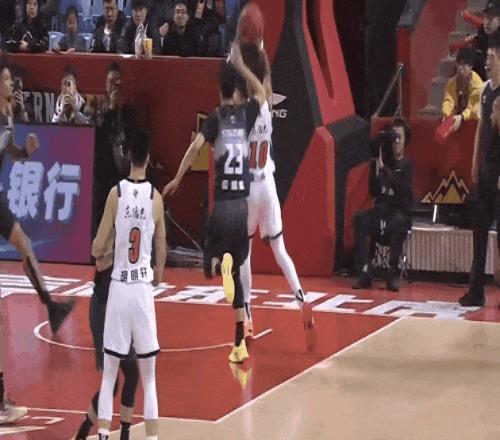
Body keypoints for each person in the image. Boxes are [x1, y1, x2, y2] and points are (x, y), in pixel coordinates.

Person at [162, 46, 265, 363]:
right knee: (240, 269)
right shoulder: (246, 115)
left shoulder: (215, 119)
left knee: (216, 263)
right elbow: (261, 92)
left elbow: (194, 149)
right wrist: (244, 67)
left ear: (219, 90)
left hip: (221, 208)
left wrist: (177, 179)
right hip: (241, 206)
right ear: (238, 89)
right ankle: (239, 343)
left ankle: (221, 264)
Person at [0, 60, 74, 423]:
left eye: (11, 79)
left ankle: (50, 305)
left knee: (26, 245)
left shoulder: (8, 113)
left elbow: (8, 151)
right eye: (5, 80)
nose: (10, 84)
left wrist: (24, 153)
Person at [235, 43, 314, 346]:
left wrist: (238, 63)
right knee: (280, 250)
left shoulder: (242, 114)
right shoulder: (267, 106)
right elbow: (266, 82)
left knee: (245, 253)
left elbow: (247, 89)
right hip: (268, 184)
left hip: (249, 189)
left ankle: (248, 316)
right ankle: (301, 298)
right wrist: (262, 52)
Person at [93, 129, 166, 440]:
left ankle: (102, 435)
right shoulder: (155, 199)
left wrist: (111, 253)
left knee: (110, 375)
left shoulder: (116, 194)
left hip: (119, 289)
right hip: (142, 291)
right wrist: (155, 274)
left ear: (127, 157)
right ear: (148, 158)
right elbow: (161, 254)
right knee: (149, 380)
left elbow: (97, 248)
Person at [72, 245, 139, 440]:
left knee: (132, 373)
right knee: (113, 381)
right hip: (104, 310)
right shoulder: (110, 233)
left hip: (121, 310)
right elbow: (98, 258)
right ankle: (86, 429)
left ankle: (123, 434)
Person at [459, 35, 500, 307]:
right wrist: (475, 160)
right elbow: (481, 127)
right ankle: (475, 292)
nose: (487, 62)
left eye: (492, 58)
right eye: (486, 57)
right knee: (479, 231)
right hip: (485, 171)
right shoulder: (485, 90)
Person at [352, 118, 413, 292]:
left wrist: (385, 169)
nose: (397, 141)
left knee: (398, 221)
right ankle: (364, 271)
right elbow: (374, 191)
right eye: (394, 137)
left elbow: (401, 190)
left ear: (405, 141)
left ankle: (393, 274)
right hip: (381, 214)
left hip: (398, 215)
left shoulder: (407, 165)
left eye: (400, 137)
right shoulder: (380, 163)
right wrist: (377, 166)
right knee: (359, 218)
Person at [442, 47, 482, 132]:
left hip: (473, 122)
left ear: (470, 66)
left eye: (463, 65)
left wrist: (462, 116)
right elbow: (448, 101)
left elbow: (474, 108)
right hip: (456, 119)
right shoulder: (451, 83)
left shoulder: (478, 85)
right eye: (458, 64)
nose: (460, 68)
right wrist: (446, 113)